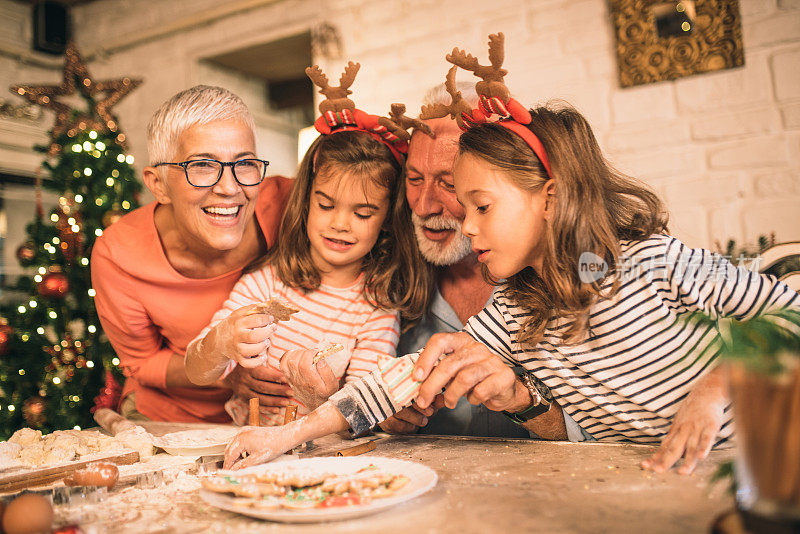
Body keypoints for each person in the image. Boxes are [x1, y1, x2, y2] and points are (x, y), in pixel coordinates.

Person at [223, 83, 798, 474]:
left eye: (481, 207)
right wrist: (284, 438)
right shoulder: (510, 310)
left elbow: (790, 311)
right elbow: (396, 379)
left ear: (548, 200)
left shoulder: (649, 263)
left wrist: (715, 389)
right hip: (652, 483)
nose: (465, 227)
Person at [184, 65, 431, 424]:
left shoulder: (376, 310)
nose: (340, 224)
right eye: (326, 205)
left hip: (322, 458)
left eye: (362, 214)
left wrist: (321, 394)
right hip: (248, 453)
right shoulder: (268, 282)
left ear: (387, 224)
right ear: (306, 202)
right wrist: (221, 341)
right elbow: (197, 370)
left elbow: (363, 413)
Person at [91, 85, 294, 422]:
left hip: (274, 421)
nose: (229, 188)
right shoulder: (118, 254)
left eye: (244, 163)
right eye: (201, 165)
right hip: (172, 420)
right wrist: (226, 371)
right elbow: (143, 364)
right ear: (158, 185)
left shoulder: (290, 207)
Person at [380, 81, 552, 438]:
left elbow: (610, 429)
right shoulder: (386, 280)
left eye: (447, 182)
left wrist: (523, 400)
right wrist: (380, 418)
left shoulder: (562, 278)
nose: (424, 206)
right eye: (414, 179)